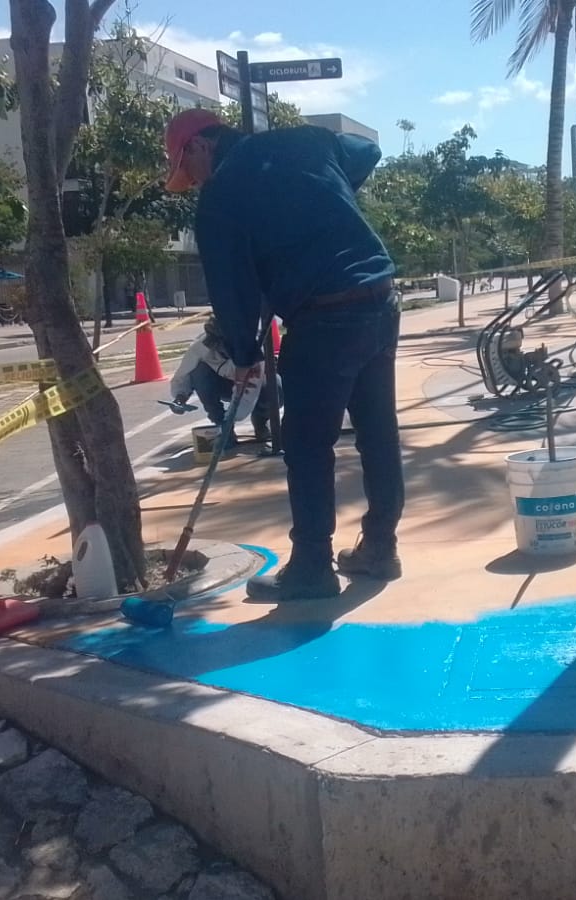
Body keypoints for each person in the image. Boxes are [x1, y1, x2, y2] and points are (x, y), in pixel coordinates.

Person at [164, 108, 403, 601]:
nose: (195, 181)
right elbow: (367, 151)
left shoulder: (220, 198)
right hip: (380, 299)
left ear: (199, 147)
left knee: (307, 446)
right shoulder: (307, 141)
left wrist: (245, 351)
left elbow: (232, 291)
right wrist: (323, 203)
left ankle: (312, 568)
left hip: (324, 318)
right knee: (378, 431)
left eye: (189, 169)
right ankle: (380, 546)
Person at [169, 316, 275, 444]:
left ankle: (261, 421)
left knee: (274, 386)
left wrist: (230, 419)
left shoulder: (253, 353)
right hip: (221, 385)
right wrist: (180, 396)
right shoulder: (200, 347)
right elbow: (183, 374)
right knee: (199, 373)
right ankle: (220, 424)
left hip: (252, 388)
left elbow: (247, 396)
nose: (217, 347)